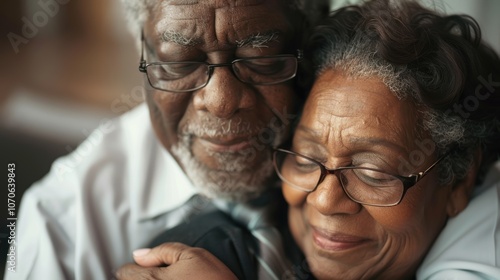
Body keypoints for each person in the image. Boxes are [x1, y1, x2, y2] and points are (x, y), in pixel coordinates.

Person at [115, 0, 500, 279]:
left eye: (371, 172)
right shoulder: (206, 259)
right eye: (306, 159)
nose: (324, 200)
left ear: (459, 181)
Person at [5, 1, 330, 279]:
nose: (220, 101)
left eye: (260, 58)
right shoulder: (65, 221)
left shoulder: (362, 173)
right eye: (180, 63)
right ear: (142, 52)